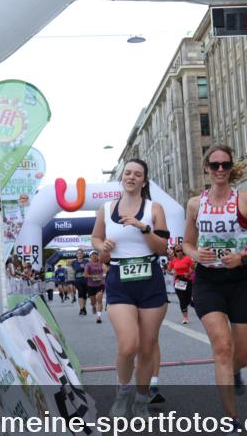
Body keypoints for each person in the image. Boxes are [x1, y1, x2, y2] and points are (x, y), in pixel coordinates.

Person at [183, 144, 247, 436]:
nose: (220, 170)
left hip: (242, 280)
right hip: (208, 281)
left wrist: (244, 257)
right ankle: (231, 422)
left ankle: (236, 372)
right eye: (214, 165)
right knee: (222, 347)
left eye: (225, 165)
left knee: (241, 357)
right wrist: (197, 255)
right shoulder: (195, 204)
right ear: (206, 168)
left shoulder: (245, 200)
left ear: (231, 168)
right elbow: (187, 244)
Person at [92, 159, 170, 418]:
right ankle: (123, 392)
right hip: (119, 279)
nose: (132, 177)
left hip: (150, 280)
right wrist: (101, 247)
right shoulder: (106, 208)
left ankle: (140, 400)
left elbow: (162, 247)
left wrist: (143, 227)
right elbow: (96, 237)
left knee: (147, 347)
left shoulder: (154, 208)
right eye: (128, 173)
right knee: (128, 345)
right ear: (122, 178)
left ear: (144, 181)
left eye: (138, 174)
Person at [167, 243, 195, 324]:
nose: (180, 252)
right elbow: (168, 270)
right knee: (182, 299)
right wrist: (172, 273)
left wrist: (189, 273)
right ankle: (185, 317)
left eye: (181, 250)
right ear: (175, 252)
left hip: (187, 280)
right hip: (178, 281)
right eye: (178, 251)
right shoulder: (173, 261)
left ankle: (190, 302)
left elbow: (194, 269)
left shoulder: (187, 259)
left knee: (188, 298)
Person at [84, 251, 106, 323]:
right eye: (92, 255)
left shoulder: (102, 263)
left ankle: (99, 317)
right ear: (90, 257)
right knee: (93, 302)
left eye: (96, 254)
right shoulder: (88, 265)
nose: (94, 256)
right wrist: (94, 276)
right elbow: (85, 275)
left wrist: (103, 275)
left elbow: (105, 271)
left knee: (99, 299)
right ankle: (93, 306)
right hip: (91, 285)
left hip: (100, 284)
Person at [70, 249, 89, 316]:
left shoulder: (86, 261)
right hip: (78, 280)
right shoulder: (74, 262)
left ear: (83, 254)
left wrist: (85, 268)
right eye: (78, 253)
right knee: (80, 292)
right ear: (76, 254)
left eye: (81, 253)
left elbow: (89, 269)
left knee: (85, 294)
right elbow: (73, 270)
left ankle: (84, 307)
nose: (79, 254)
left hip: (86, 280)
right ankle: (81, 309)